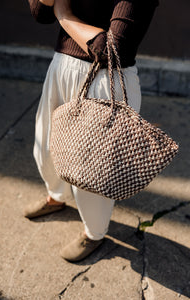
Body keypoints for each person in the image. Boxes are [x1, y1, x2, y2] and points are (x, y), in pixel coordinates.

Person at [25, 0, 159, 262]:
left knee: (93, 173)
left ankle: (94, 232)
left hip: (105, 82)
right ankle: (56, 196)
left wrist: (64, 15)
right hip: (61, 67)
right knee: (48, 148)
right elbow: (40, 13)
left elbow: (112, 48)